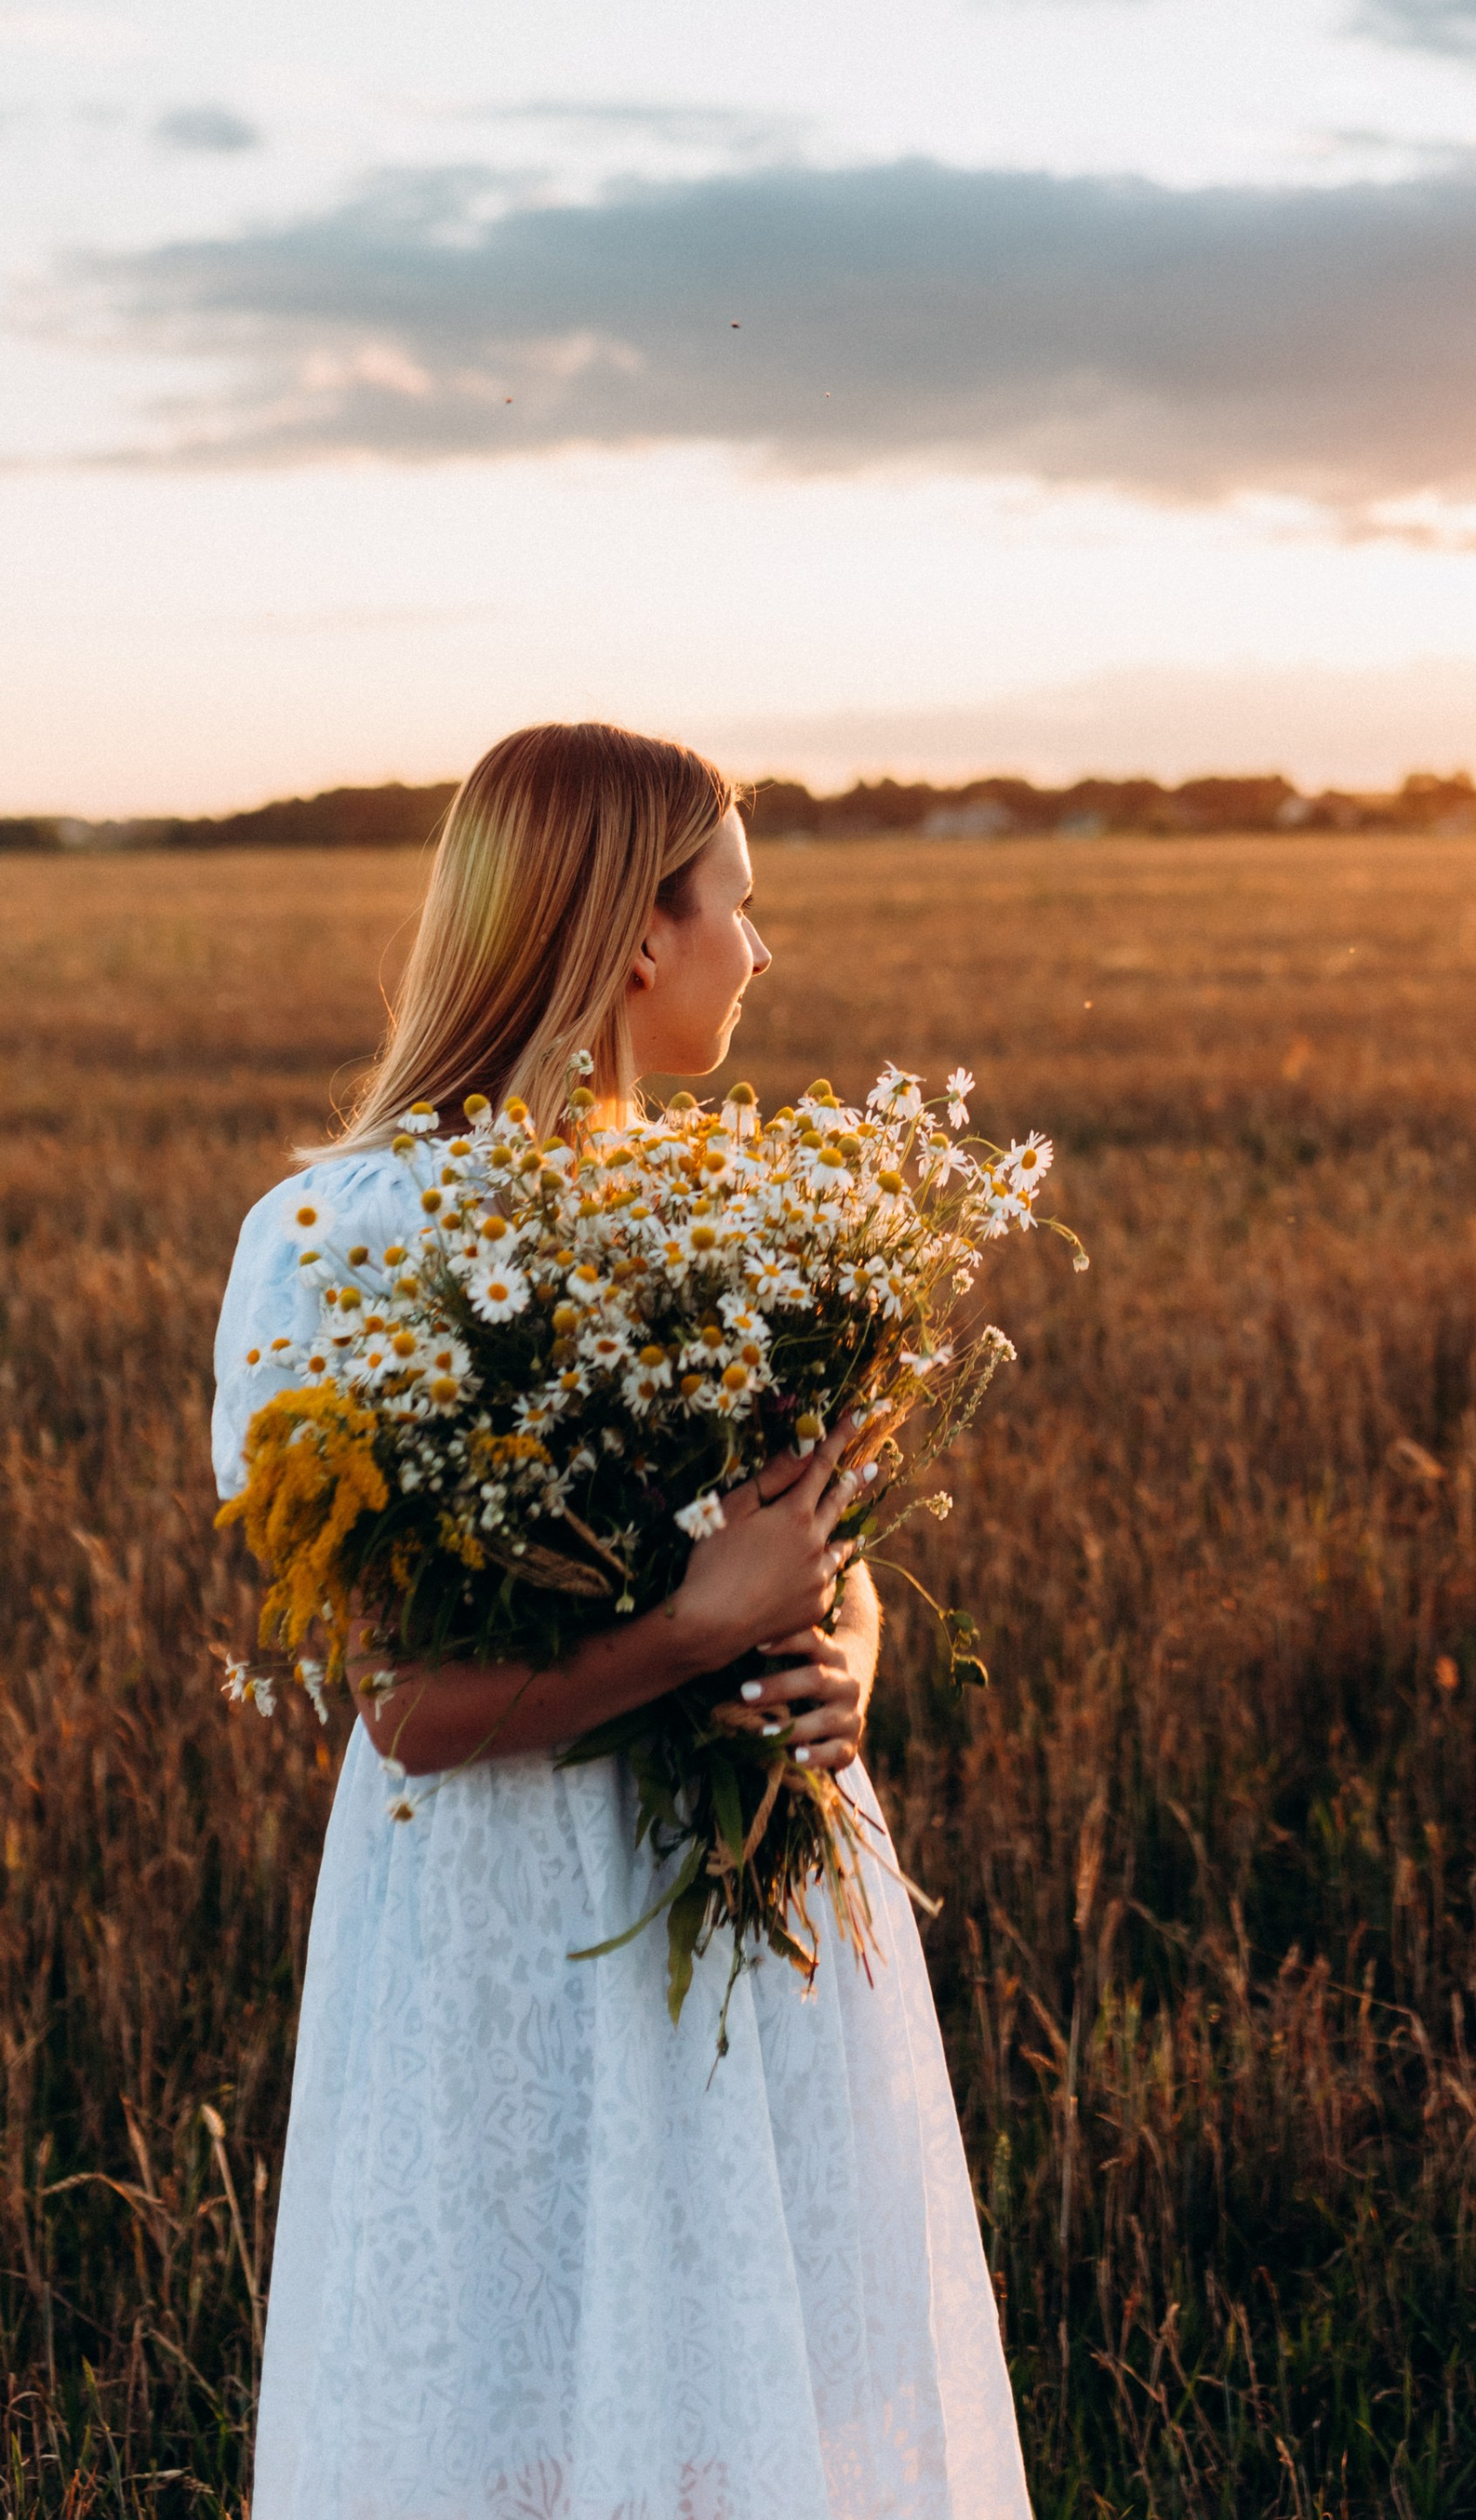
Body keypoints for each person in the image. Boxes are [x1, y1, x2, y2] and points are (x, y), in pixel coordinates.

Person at [210, 721, 1032, 2520]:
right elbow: (408, 1709)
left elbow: (822, 1545)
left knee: (743, 2406)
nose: (761, 947)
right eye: (741, 902)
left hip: (752, 1931)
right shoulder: (338, 1234)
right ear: (640, 936)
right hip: (512, 1929)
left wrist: (844, 1662)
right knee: (516, 2402)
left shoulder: (734, 1217)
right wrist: (685, 1638)